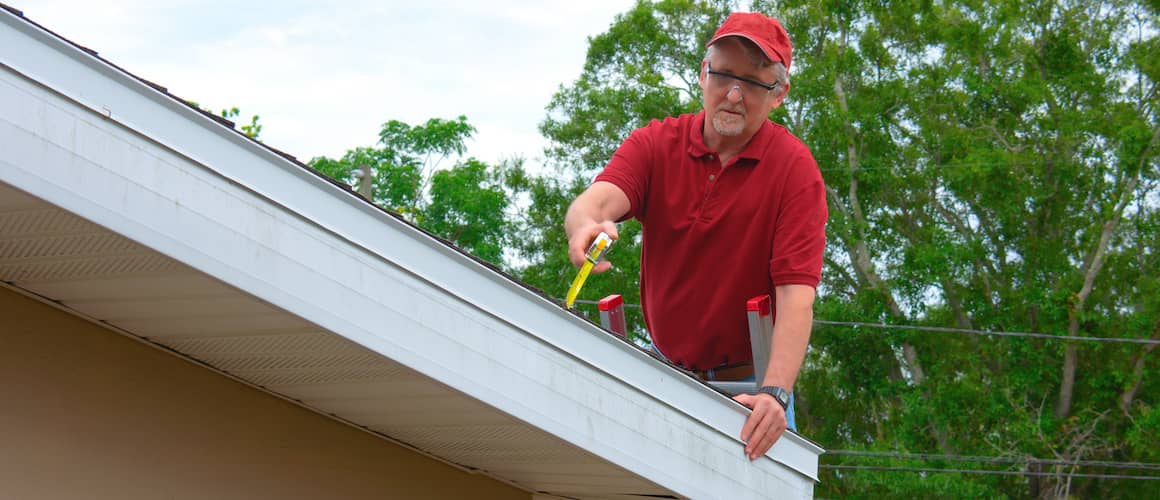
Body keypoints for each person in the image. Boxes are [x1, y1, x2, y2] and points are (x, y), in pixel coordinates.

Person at [564, 12, 827, 461]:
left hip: (750, 393)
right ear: (703, 73)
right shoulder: (656, 143)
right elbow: (596, 202)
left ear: (778, 94)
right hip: (661, 371)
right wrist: (585, 226)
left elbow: (796, 297)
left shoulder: (795, 172)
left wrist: (775, 395)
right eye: (723, 74)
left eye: (753, 83)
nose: (734, 94)